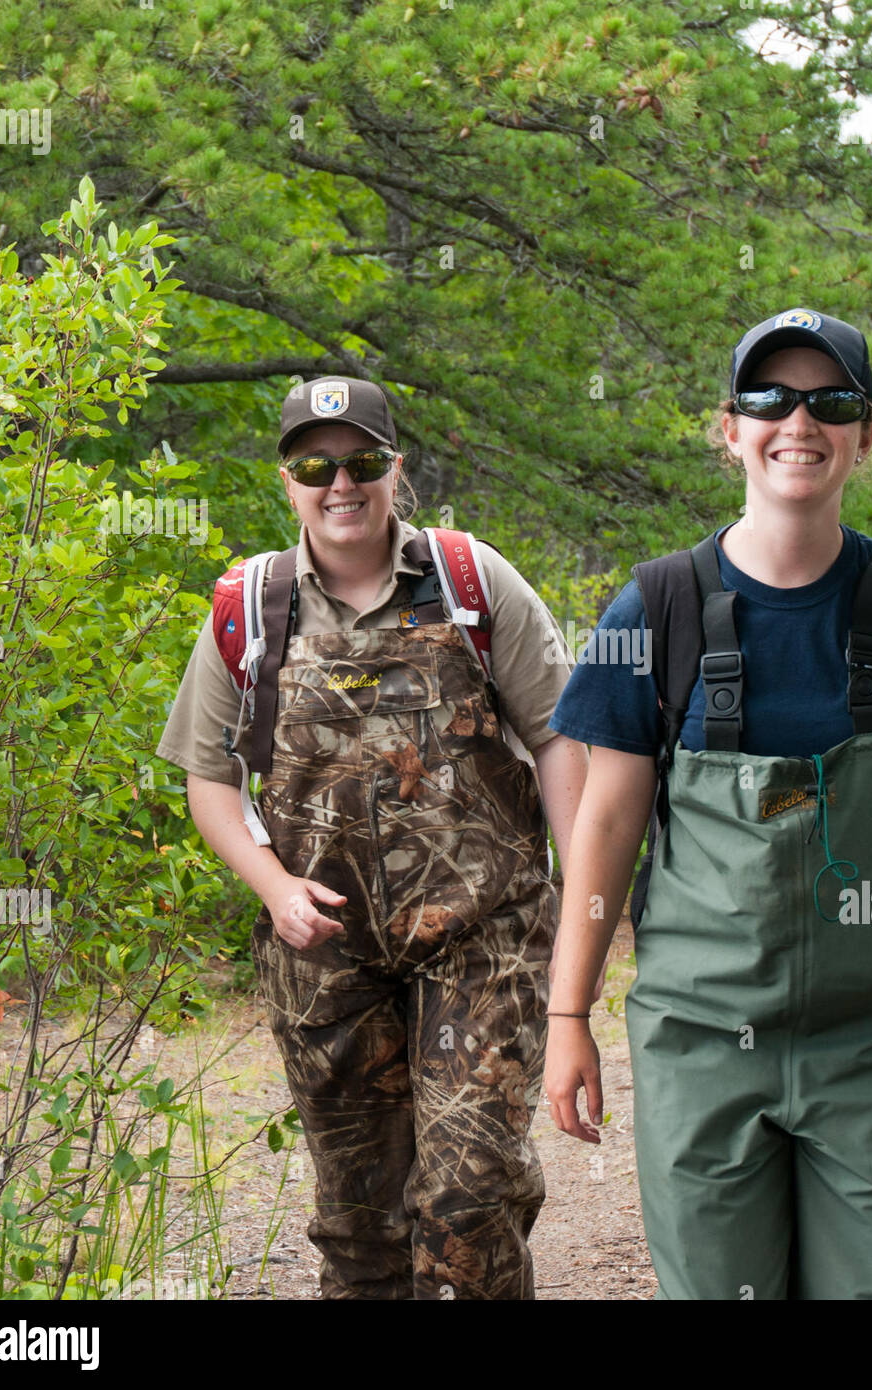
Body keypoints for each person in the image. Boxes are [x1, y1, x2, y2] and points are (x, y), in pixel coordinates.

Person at [543, 309, 872, 1300]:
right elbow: (603, 830)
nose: (799, 422)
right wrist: (569, 1013)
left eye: (832, 400)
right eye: (770, 399)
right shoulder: (651, 611)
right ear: (729, 428)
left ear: (864, 433)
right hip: (700, 1040)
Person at [156, 374, 590, 1300]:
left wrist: (583, 896)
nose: (338, 483)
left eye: (360, 461)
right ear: (287, 480)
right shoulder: (249, 608)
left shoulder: (471, 582)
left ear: (396, 469)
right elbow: (210, 778)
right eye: (315, 464)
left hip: (482, 938)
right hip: (326, 959)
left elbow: (560, 736)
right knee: (359, 1223)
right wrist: (272, 887)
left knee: (471, 1197)